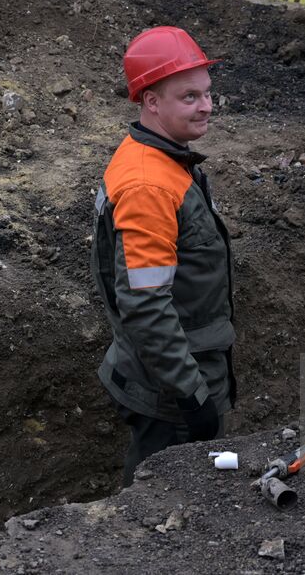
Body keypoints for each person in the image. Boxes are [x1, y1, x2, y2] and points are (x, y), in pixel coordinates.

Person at [90, 26, 236, 486]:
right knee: (161, 506)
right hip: (170, 389)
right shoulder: (149, 186)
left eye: (208, 93)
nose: (207, 106)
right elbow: (146, 304)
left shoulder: (157, 159)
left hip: (178, 370)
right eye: (189, 96)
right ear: (151, 101)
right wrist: (192, 395)